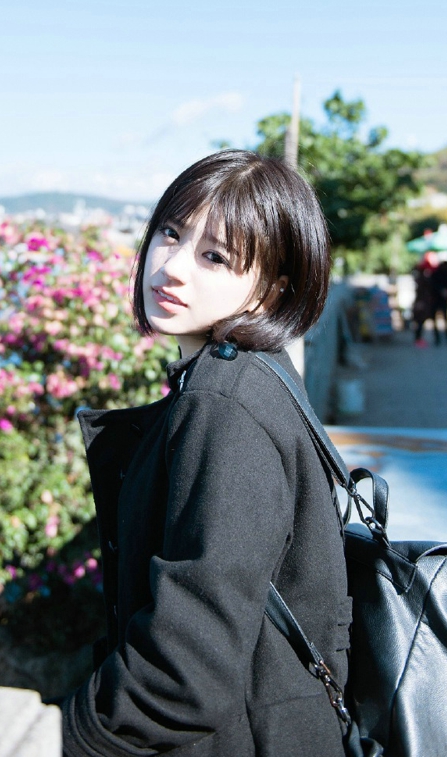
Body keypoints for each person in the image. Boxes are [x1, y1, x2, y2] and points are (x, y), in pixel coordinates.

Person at [62, 150, 351, 757]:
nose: (172, 267)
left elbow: (186, 671)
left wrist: (66, 737)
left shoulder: (225, 403)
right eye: (171, 233)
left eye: (214, 256)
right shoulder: (257, 374)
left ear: (272, 288)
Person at [429, 256, 447, 345]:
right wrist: (441, 290)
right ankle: (440, 338)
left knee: (444, 319)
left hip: (441, 299)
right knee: (439, 319)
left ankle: (445, 338)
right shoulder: (437, 274)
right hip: (436, 298)